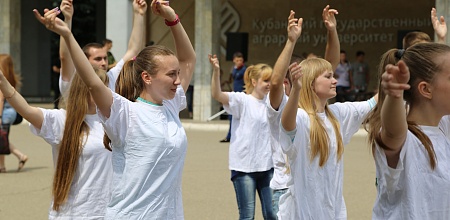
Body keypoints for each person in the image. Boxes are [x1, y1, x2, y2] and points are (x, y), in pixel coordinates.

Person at [34, 0, 195, 218]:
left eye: (177, 74)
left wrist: (171, 18)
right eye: (170, 75)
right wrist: (67, 34)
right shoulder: (124, 112)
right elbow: (92, 81)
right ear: (146, 77)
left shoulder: (171, 104)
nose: (178, 80)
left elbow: (188, 59)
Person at [278, 57, 377, 219]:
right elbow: (287, 124)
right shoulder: (301, 117)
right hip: (302, 213)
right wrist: (296, 90)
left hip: (333, 212)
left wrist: (394, 80)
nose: (335, 81)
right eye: (328, 76)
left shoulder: (338, 114)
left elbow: (372, 103)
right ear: (311, 83)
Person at [268, 5, 340, 216]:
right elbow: (275, 82)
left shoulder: (312, 102)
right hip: (286, 186)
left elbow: (330, 64)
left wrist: (332, 31)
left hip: (313, 186)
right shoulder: (283, 104)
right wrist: (291, 41)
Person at [366, 42, 450, 219]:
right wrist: (394, 95)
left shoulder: (443, 127)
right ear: (426, 89)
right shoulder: (405, 139)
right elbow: (392, 130)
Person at [210, 54, 276, 220]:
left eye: (271, 80)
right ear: (254, 82)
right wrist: (216, 71)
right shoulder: (242, 100)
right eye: (265, 80)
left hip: (268, 166)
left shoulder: (273, 102)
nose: (269, 84)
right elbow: (217, 95)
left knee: (273, 214)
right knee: (247, 216)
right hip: (244, 167)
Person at [58, 0, 145, 98]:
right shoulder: (73, 81)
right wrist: (68, 19)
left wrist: (139, 14)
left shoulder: (111, 77)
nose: (104, 63)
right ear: (84, 61)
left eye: (105, 58)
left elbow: (133, 50)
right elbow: (64, 57)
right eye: (98, 59)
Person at [0, 54, 27, 173]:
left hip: (4, 113)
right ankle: (3, 165)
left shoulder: (2, 81)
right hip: (11, 113)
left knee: (2, 138)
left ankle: (19, 157)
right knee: (3, 138)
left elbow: (0, 99)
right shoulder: (12, 80)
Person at [220, 52, 247, 143]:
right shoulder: (234, 69)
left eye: (240, 60)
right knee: (232, 116)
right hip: (235, 95)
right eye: (237, 60)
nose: (239, 62)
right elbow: (231, 79)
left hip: (242, 96)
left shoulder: (244, 70)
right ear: (234, 60)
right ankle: (230, 136)